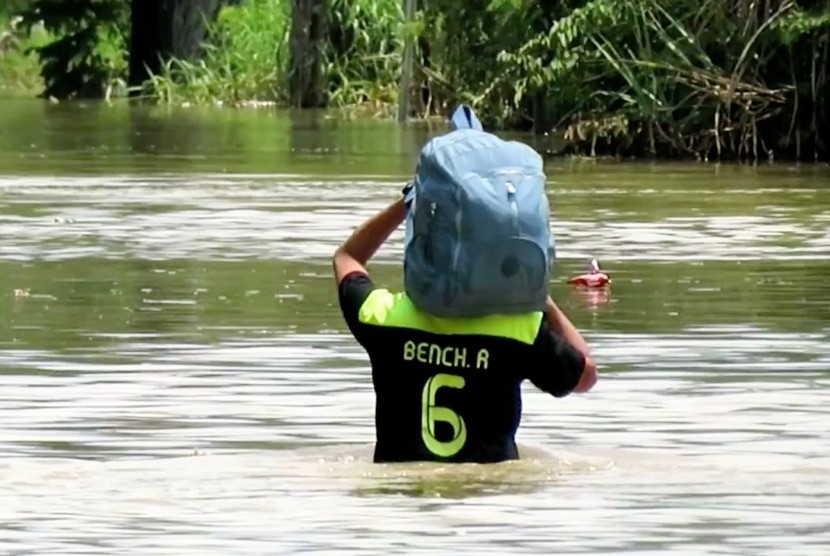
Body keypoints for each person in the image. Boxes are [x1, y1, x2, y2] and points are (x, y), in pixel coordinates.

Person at [333, 192, 597, 464]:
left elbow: (347, 257)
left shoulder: (383, 317)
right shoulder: (520, 329)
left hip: (403, 500)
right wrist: (540, 298)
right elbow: (585, 375)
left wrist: (407, 204)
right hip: (487, 498)